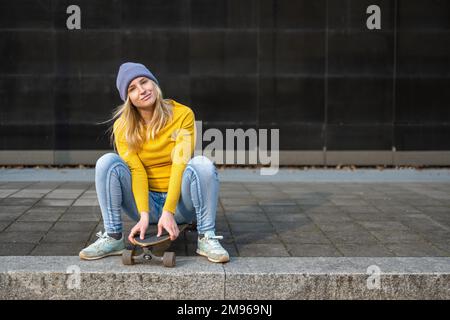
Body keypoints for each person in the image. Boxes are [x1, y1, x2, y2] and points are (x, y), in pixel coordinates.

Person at [79, 62, 229, 263]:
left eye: (144, 82)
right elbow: (136, 171)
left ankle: (207, 237)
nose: (141, 91)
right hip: (145, 204)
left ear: (154, 84)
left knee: (201, 164)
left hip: (180, 205)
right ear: (128, 99)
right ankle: (113, 236)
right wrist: (143, 215)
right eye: (132, 89)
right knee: (107, 162)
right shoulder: (123, 126)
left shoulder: (182, 114)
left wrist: (169, 211)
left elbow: (180, 164)